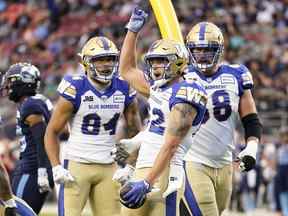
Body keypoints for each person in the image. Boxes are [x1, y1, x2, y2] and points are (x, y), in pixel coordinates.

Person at [115, 8, 207, 216]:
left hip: (167, 169)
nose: (156, 66)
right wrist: (132, 31)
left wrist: (147, 182)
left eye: (162, 61)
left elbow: (171, 145)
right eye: (153, 61)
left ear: (178, 62)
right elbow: (127, 70)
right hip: (145, 164)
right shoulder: (157, 87)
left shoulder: (186, 93)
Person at [44, 36, 142, 216]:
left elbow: (135, 132)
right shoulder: (76, 87)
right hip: (76, 164)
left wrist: (130, 166)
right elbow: (52, 131)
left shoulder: (124, 87)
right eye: (100, 60)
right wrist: (56, 166)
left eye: (110, 59)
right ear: (86, 62)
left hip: (108, 165)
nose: (106, 64)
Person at [179, 21, 263, 216]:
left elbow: (251, 119)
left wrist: (251, 148)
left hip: (225, 163)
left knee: (219, 211)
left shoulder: (236, 75)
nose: (201, 54)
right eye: (197, 49)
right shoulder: (182, 76)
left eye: (207, 49)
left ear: (219, 49)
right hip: (192, 160)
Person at [1, 62, 54, 214]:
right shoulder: (39, 101)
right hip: (36, 167)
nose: (8, 86)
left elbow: (41, 139)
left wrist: (43, 170)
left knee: (16, 211)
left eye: (11, 81)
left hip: (32, 169)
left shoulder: (30, 105)